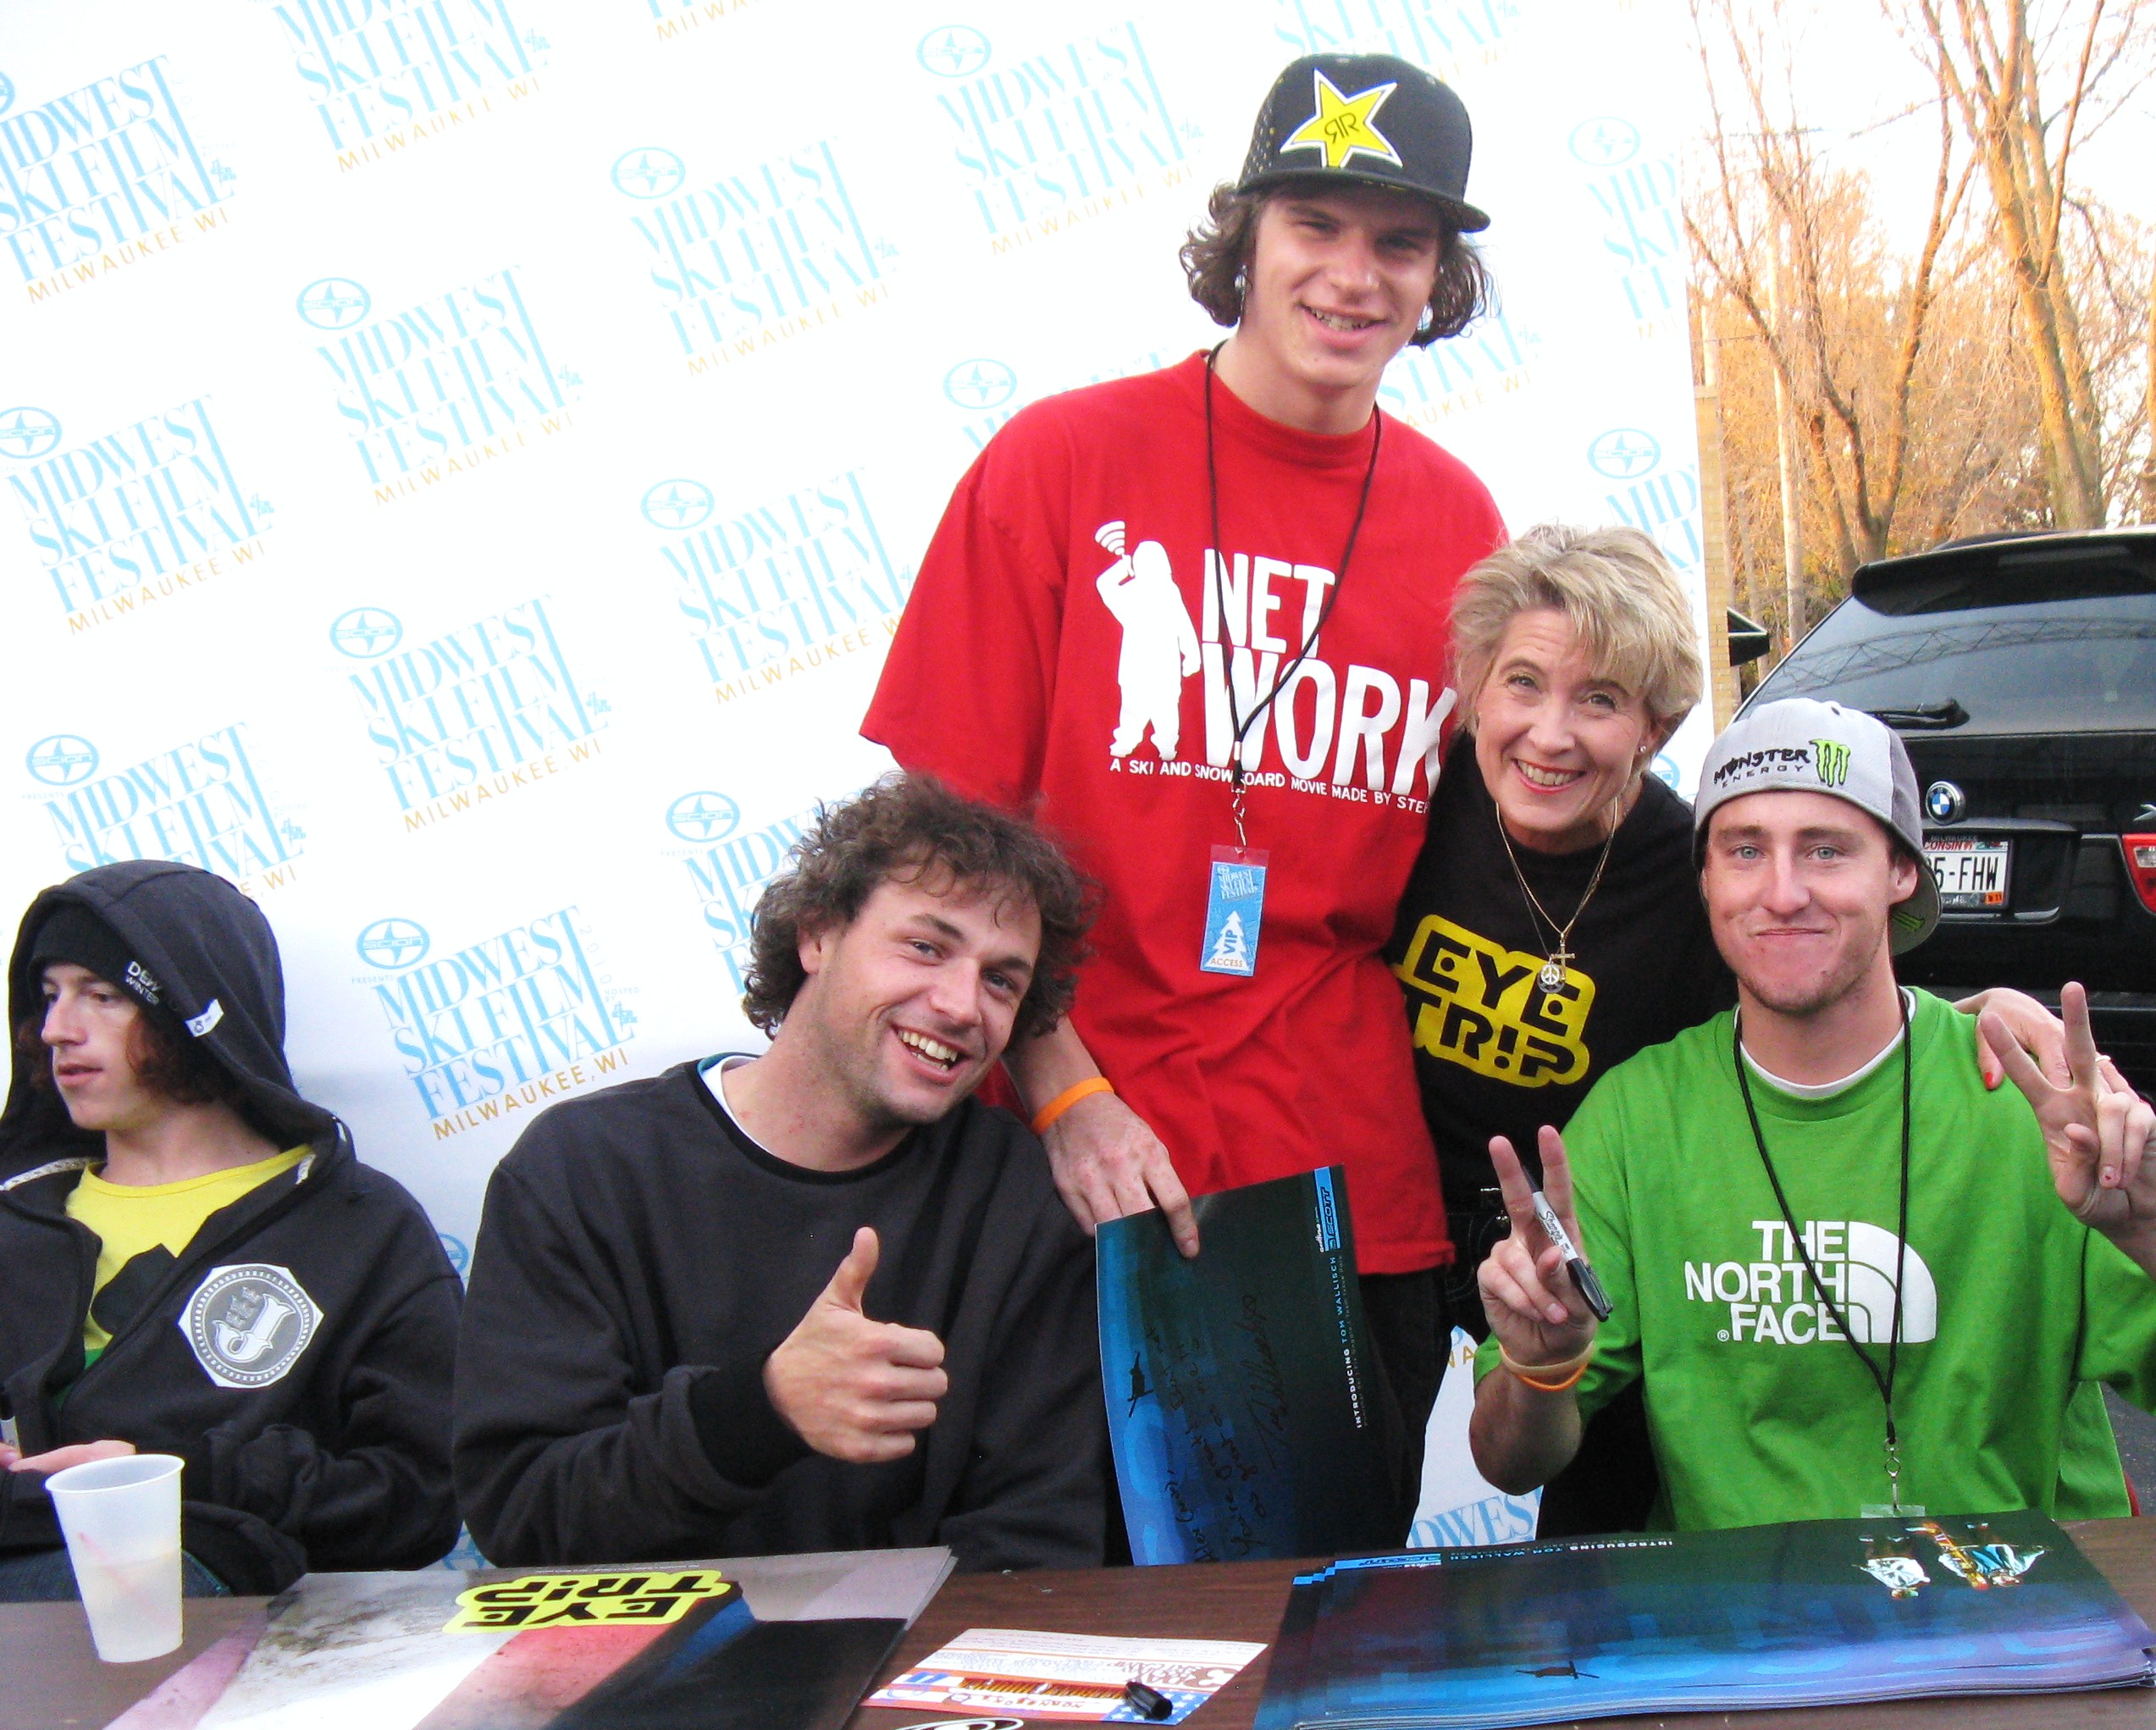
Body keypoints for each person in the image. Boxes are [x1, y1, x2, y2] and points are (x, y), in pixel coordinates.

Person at [860, 52, 1511, 1518]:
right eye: (1315, 227)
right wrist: (1064, 1085)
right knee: (1053, 1644)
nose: (1352, 276)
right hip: (1062, 1176)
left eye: (1397, 242)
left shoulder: (1458, 523)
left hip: (1343, 1195)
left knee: (1310, 1637)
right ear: (1246, 240)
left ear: (1437, 278)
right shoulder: (1059, 463)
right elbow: (929, 857)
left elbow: (1519, 852)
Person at [1468, 699, 2156, 1528]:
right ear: (1705, 878)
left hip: (2021, 1636)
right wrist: (1542, 1370)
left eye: (1825, 850)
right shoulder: (1638, 1118)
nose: (1782, 892)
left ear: (1899, 872)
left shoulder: (2022, 1096)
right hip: (1761, 1652)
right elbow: (1508, 1462)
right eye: (1744, 850)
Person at [1387, 526, 2072, 1534]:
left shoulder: (1697, 870)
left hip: (1593, 1237)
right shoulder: (1416, 804)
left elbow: (1818, 992)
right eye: (1522, 685)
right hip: (1395, 1223)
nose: (1550, 734)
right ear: (1477, 692)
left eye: (1601, 699)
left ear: (1657, 726)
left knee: (1606, 1500)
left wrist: (1973, 1017)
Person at [452, 775, 1108, 1570]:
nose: (963, 1005)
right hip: (650, 1678)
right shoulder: (583, 1168)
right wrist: (760, 1414)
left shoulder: (1017, 1201)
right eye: (926, 947)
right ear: (818, 935)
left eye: (1002, 979)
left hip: (918, 1681)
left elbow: (1037, 1546)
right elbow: (525, 1517)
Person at [0, 863, 460, 1598]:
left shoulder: (355, 1228)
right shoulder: (15, 1221)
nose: (56, 1029)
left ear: (192, 1013)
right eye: (49, 996)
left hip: (241, 1643)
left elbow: (421, 1498)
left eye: (103, 996)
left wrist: (176, 1476)